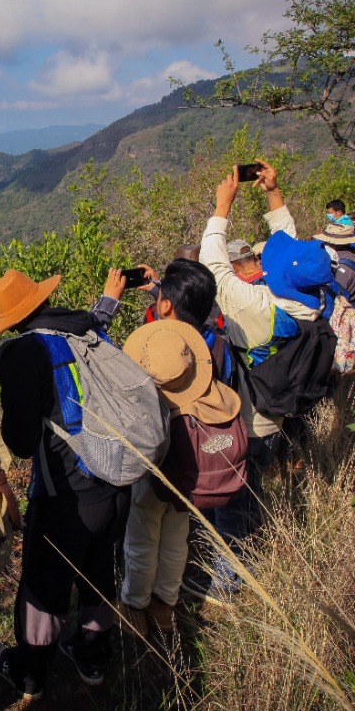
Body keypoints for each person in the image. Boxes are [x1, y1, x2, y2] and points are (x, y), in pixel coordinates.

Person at [0, 269, 137, 700]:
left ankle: (30, 673)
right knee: (99, 568)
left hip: (66, 495)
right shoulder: (87, 330)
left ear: (11, 320)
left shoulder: (20, 353)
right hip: (116, 478)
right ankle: (92, 656)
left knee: (43, 585)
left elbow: (21, 442)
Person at [198, 162, 322, 598]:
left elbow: (213, 265)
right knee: (251, 485)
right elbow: (297, 254)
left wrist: (222, 207)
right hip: (282, 402)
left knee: (237, 496)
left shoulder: (259, 307)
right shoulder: (311, 297)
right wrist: (274, 195)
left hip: (255, 418)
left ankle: (230, 581)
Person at [119, 262, 242, 634]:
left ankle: (134, 608)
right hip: (194, 463)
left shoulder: (158, 347)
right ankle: (164, 606)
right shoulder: (216, 342)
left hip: (157, 460)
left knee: (141, 536)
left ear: (167, 306)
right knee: (177, 534)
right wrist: (161, 286)